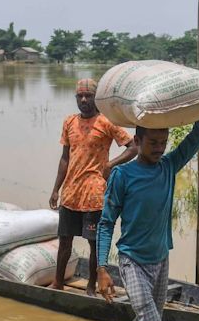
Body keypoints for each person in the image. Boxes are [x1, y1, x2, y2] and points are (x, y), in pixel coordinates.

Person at [96, 115, 199, 321]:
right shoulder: (122, 175)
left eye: (163, 142)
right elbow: (106, 223)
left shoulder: (168, 166)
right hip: (132, 263)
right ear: (137, 140)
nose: (160, 148)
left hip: (160, 261)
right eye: (153, 143)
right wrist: (102, 268)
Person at [49, 78, 137, 295]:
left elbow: (133, 146)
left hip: (95, 195)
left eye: (88, 96)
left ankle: (91, 286)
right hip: (70, 193)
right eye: (80, 96)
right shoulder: (69, 122)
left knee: (94, 243)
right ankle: (58, 282)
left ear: (97, 99)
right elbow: (64, 158)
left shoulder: (106, 122)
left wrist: (111, 164)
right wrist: (55, 189)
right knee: (65, 241)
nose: (84, 100)